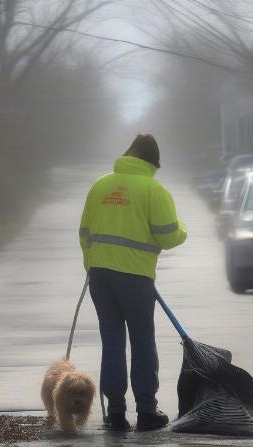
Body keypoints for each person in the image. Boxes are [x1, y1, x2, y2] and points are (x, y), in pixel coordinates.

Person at [79, 134, 187, 431]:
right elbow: (168, 234)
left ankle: (115, 413)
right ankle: (146, 411)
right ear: (153, 162)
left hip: (100, 277)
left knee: (111, 342)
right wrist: (183, 231)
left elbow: (85, 232)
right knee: (142, 342)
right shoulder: (153, 190)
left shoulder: (99, 186)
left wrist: (92, 265)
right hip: (135, 278)